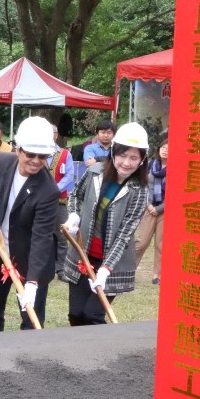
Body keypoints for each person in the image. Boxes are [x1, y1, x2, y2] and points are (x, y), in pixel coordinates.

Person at [62, 122, 149, 326]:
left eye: (134, 158)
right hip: (83, 253)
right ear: (113, 153)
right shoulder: (95, 172)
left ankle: (98, 356)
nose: (127, 162)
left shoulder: (139, 190)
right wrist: (74, 215)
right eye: (123, 155)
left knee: (93, 315)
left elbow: (125, 233)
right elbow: (76, 195)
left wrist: (106, 269)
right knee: (76, 313)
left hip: (112, 263)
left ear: (142, 160)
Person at [0, 116, 59, 332]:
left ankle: (29, 359)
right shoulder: (2, 161)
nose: (36, 160)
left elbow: (42, 237)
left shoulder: (48, 190)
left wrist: (32, 282)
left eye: (43, 156)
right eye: (30, 154)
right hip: (0, 250)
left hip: (31, 257)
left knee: (31, 317)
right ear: (17, 149)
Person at [134, 137, 167, 285]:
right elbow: (144, 185)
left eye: (169, 148)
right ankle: (128, 269)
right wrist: (148, 205)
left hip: (165, 211)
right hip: (148, 208)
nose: (165, 151)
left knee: (161, 244)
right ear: (158, 149)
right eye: (163, 148)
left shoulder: (177, 168)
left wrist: (159, 208)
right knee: (141, 241)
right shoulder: (151, 165)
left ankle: (157, 275)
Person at [48, 123, 75, 279]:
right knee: (42, 233)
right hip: (39, 201)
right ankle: (46, 265)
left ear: (56, 135)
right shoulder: (37, 153)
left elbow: (69, 175)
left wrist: (55, 189)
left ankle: (60, 268)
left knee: (62, 234)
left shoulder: (66, 154)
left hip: (59, 201)